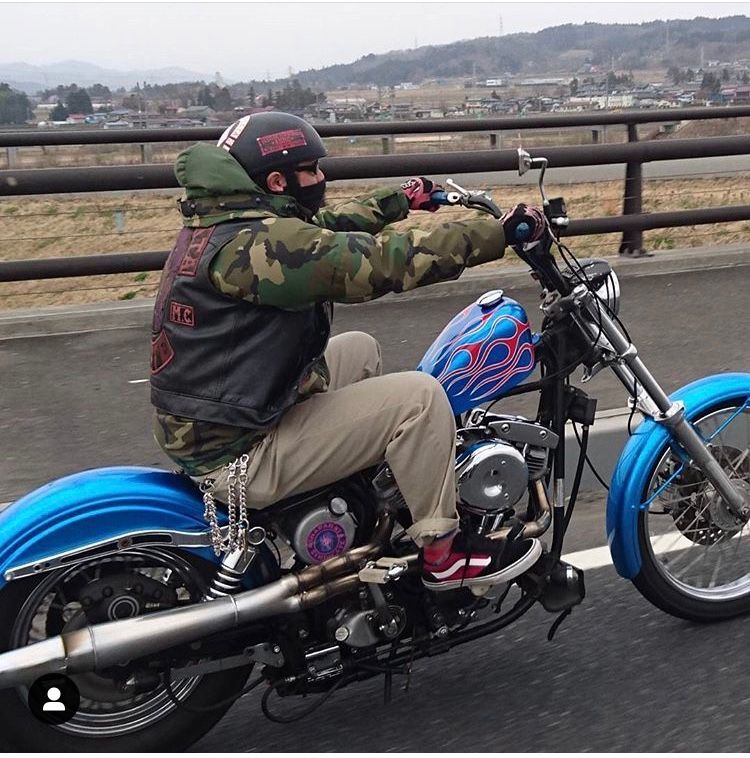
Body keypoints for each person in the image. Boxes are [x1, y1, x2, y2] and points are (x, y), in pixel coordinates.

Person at [150, 111, 547, 591]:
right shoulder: (254, 248)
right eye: (310, 170)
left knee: (359, 349)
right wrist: (496, 233)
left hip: (226, 419)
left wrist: (400, 200)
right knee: (420, 399)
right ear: (276, 181)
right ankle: (444, 553)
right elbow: (375, 263)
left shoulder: (229, 224)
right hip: (238, 455)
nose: (321, 178)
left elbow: (325, 225)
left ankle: (366, 502)